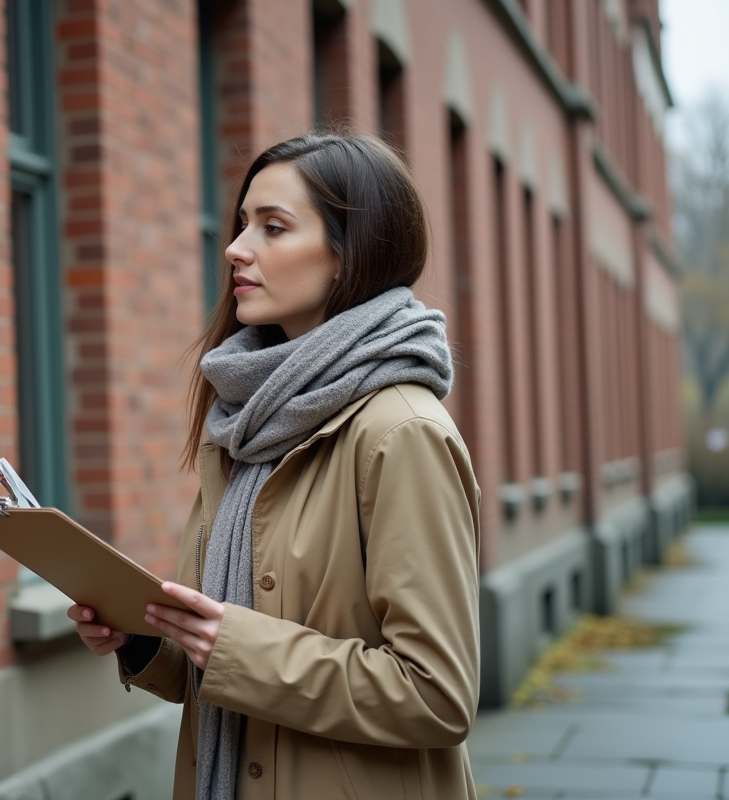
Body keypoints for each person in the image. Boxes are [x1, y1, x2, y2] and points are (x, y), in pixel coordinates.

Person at [67, 132, 481, 800]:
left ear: (350, 256)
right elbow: (216, 657)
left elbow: (437, 693)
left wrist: (235, 649)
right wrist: (143, 643)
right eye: (241, 224)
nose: (235, 248)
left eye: (273, 227)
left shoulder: (400, 433)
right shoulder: (243, 425)